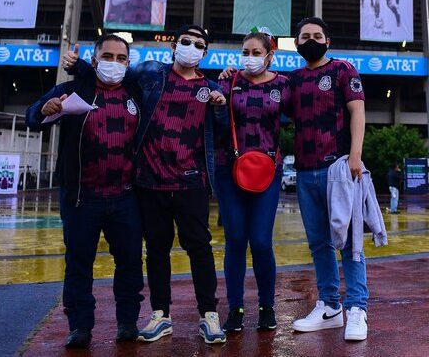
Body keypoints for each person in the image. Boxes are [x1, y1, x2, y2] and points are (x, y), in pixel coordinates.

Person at [64, 25, 229, 344]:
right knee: (156, 250)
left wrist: (221, 107)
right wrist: (81, 65)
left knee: (199, 248)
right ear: (173, 46)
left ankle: (209, 314)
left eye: (198, 44)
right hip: (150, 183)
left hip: (191, 182)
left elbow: (220, 134)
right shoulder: (152, 75)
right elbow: (115, 73)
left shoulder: (210, 90)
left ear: (204, 53)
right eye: (185, 41)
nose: (190, 47)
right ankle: (160, 315)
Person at [27, 35, 144, 349]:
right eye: (108, 56)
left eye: (121, 58)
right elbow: (32, 116)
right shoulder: (72, 90)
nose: (114, 63)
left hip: (126, 197)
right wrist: (44, 108)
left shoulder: (137, 92)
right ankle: (80, 326)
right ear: (94, 61)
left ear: (128, 64)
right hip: (82, 198)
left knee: (131, 262)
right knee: (79, 263)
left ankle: (128, 322)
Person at [283, 17, 371, 342]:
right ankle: (330, 306)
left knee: (349, 242)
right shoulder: (292, 80)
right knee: (319, 243)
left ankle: (358, 308)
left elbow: (357, 111)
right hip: (305, 172)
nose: (311, 40)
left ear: (327, 41)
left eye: (317, 35)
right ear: (296, 44)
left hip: (338, 168)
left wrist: (356, 156)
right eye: (305, 36)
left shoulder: (342, 70)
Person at [214, 30, 289, 333]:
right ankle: (235, 308)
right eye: (246, 51)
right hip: (229, 168)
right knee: (235, 239)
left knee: (260, 240)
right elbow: (213, 117)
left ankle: (267, 306)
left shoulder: (284, 85)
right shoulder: (228, 81)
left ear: (270, 55)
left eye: (257, 52)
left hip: (268, 169)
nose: (250, 57)